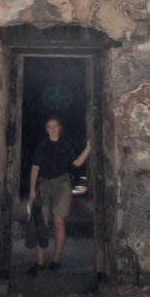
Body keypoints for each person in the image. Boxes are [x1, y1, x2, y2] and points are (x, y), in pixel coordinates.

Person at [28, 116, 91, 274]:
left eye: (55, 126)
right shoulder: (42, 146)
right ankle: (40, 263)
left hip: (62, 185)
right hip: (44, 185)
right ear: (46, 129)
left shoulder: (65, 145)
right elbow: (35, 168)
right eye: (50, 126)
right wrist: (32, 189)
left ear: (59, 128)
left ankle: (56, 261)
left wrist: (89, 148)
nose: (53, 129)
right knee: (41, 224)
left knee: (59, 222)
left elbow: (76, 163)